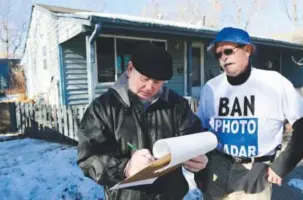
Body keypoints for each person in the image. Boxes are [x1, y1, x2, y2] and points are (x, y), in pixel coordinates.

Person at [196, 27, 303, 200]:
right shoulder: (211, 87)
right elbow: (200, 129)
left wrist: (281, 165)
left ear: (247, 50)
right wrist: (201, 170)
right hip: (217, 167)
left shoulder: (273, 82)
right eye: (218, 54)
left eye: (229, 51)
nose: (223, 57)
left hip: (254, 171)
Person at [77, 43, 208, 200]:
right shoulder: (104, 107)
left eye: (158, 82)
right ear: (130, 69)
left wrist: (200, 158)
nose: (150, 87)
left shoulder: (177, 105)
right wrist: (124, 168)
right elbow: (89, 157)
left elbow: (194, 137)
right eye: (144, 78)